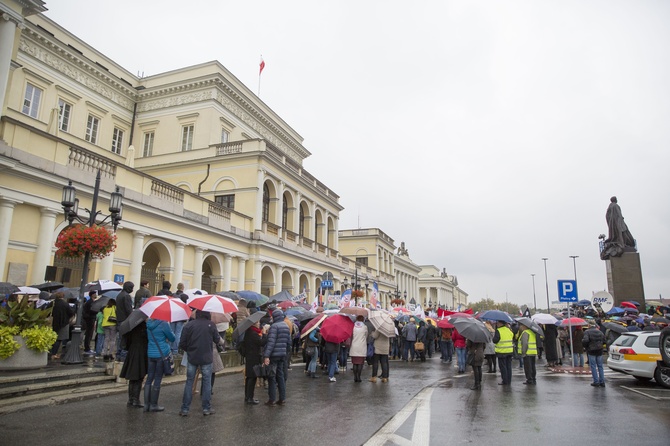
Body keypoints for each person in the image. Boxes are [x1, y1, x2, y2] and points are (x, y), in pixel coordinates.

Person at [179, 310, 222, 416]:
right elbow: (217, 339)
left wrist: (189, 350)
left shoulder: (189, 325)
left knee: (189, 382)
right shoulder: (211, 325)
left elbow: (182, 343)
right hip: (206, 357)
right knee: (206, 382)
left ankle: (185, 408)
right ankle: (206, 408)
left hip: (192, 356)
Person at [144, 317, 175, 412]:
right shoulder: (164, 323)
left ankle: (146, 405)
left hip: (150, 353)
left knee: (149, 379)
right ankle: (153, 405)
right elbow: (172, 338)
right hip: (161, 354)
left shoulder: (148, 323)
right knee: (157, 379)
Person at [262, 309, 291, 405]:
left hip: (274, 355)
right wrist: (286, 353)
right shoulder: (286, 326)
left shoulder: (274, 327)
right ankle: (282, 398)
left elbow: (271, 342)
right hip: (282, 354)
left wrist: (266, 355)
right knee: (281, 376)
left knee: (272, 376)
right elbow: (288, 342)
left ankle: (272, 399)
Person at [120, 319, 148, 409]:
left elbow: (127, 341)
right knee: (139, 376)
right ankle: (135, 400)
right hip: (141, 352)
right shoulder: (145, 327)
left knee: (132, 377)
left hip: (132, 351)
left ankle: (131, 399)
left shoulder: (132, 326)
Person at [242, 319, 266, 404]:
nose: (259, 323)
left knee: (249, 377)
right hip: (253, 357)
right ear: (254, 324)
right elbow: (261, 342)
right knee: (252, 377)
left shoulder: (249, 332)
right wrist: (264, 334)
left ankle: (247, 397)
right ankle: (250, 398)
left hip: (249, 356)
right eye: (258, 322)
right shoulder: (253, 333)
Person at [50, 292, 74, 359]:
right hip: (63, 324)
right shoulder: (65, 304)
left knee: (52, 339)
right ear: (63, 296)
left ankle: (50, 352)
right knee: (59, 339)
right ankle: (54, 354)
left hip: (52, 323)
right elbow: (71, 313)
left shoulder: (52, 303)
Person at [583, 321, 606, 387]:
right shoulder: (600, 332)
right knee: (600, 366)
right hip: (599, 350)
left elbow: (585, 341)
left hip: (591, 350)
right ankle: (602, 381)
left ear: (589, 325)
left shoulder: (587, 332)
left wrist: (586, 347)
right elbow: (604, 341)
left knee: (593, 366)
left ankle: (596, 381)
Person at [115, 281, 134, 360]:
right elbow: (128, 310)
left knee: (120, 337)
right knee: (124, 338)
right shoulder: (126, 296)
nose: (132, 289)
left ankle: (118, 354)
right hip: (125, 320)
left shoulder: (119, 295)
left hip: (119, 319)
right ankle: (123, 355)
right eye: (132, 288)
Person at [493, 321, 514, 385]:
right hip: (509, 351)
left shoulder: (498, 330)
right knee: (509, 366)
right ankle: (509, 380)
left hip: (502, 351)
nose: (497, 324)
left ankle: (505, 380)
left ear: (500, 323)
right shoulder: (509, 330)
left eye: (497, 323)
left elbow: (495, 340)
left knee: (503, 367)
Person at [349, 315, 368, 383]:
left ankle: (355, 377)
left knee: (354, 363)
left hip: (354, 346)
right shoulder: (364, 327)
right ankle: (359, 377)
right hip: (361, 346)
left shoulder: (353, 326)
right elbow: (366, 336)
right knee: (360, 363)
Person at [82, 290, 98, 355]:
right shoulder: (90, 302)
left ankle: (87, 347)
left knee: (89, 334)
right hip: (90, 319)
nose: (96, 295)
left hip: (90, 319)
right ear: (92, 295)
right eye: (95, 294)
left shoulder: (90, 302)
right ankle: (87, 348)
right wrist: (97, 311)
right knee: (89, 334)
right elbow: (91, 310)